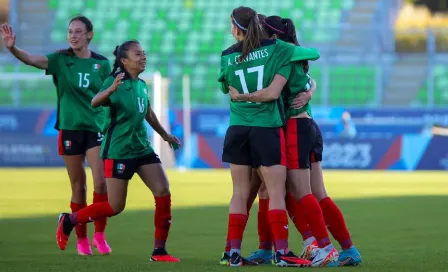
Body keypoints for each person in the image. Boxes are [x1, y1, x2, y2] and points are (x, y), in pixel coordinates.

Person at [229, 16, 362, 267]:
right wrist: (310, 90)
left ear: (275, 38)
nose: (261, 39)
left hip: (293, 127)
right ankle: (346, 249)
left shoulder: (280, 55)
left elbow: (272, 92)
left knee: (289, 191)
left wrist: (240, 96)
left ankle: (320, 246)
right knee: (305, 192)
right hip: (307, 125)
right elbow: (311, 78)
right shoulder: (292, 54)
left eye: (265, 34)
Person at [55, 40, 181, 262]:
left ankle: (159, 251)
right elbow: (95, 102)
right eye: (137, 54)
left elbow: (148, 111)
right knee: (114, 206)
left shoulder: (142, 84)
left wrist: (164, 135)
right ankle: (69, 221)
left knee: (163, 190)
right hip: (118, 150)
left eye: (143, 53)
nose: (143, 57)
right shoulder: (113, 81)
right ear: (124, 61)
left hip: (141, 147)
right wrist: (111, 89)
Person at [218, 6, 322, 267]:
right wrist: (310, 88)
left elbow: (224, 85)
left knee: (240, 193)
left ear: (236, 29)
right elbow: (313, 54)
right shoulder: (278, 49)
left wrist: (241, 95)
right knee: (275, 190)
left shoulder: (226, 56)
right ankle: (282, 252)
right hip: (266, 127)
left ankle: (232, 253)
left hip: (237, 127)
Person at [1, 17, 112, 256]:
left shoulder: (102, 65)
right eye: (70, 32)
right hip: (70, 129)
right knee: (79, 186)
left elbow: (111, 96)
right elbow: (32, 59)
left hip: (95, 129)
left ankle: (100, 236)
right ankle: (82, 239)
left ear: (89, 35)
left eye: (79, 32)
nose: (73, 36)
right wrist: (12, 48)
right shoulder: (61, 60)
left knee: (101, 182)